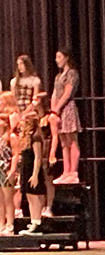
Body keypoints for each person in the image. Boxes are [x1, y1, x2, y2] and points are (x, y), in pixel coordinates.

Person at [50, 48, 82, 184]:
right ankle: (66, 171)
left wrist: (57, 108)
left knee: (72, 139)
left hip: (67, 108)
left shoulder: (72, 74)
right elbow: (54, 93)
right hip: (58, 111)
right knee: (63, 141)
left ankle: (73, 172)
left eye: (59, 57)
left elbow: (67, 93)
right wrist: (53, 110)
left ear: (66, 58)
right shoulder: (58, 76)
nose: (57, 60)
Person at [18, 115, 48, 236]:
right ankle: (33, 221)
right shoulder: (27, 138)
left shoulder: (36, 138)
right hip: (26, 169)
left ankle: (37, 222)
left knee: (35, 197)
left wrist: (35, 175)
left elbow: (38, 157)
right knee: (30, 197)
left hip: (33, 170)